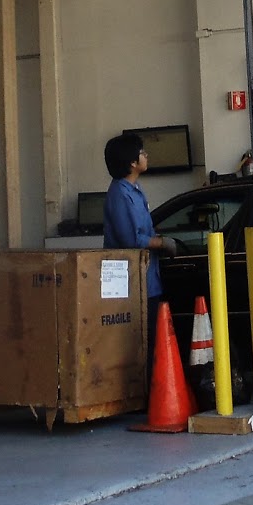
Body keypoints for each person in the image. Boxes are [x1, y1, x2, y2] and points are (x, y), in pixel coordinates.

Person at [102, 132, 179, 374]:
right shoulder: (120, 194)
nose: (146, 155)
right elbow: (130, 239)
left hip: (148, 278)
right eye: (142, 153)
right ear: (132, 162)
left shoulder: (135, 190)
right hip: (133, 283)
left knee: (152, 339)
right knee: (141, 341)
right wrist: (161, 243)